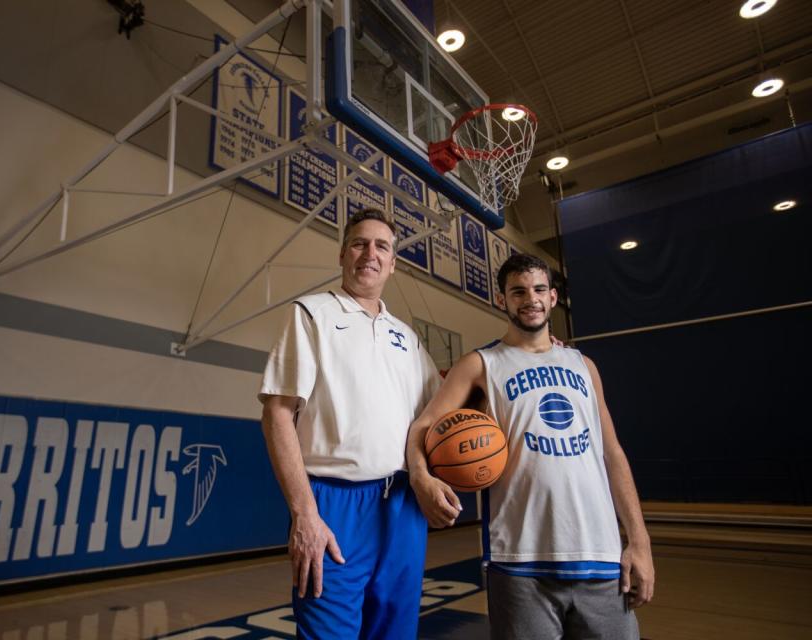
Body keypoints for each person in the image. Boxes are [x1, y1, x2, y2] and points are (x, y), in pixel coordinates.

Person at [406, 253, 654, 640]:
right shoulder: (481, 364)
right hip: (519, 557)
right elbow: (423, 426)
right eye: (517, 291)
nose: (530, 298)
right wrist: (421, 477)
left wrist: (640, 542)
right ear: (502, 300)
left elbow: (613, 454)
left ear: (553, 298)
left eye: (539, 289)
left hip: (600, 554)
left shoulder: (583, 365)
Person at [258, 208, 440, 639]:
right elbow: (277, 414)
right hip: (333, 504)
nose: (370, 253)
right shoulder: (311, 314)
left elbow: (443, 405)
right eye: (359, 243)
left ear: (393, 263)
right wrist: (304, 514)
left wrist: (532, 346)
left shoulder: (407, 338)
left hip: (402, 504)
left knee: (394, 633)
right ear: (342, 254)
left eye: (382, 246)